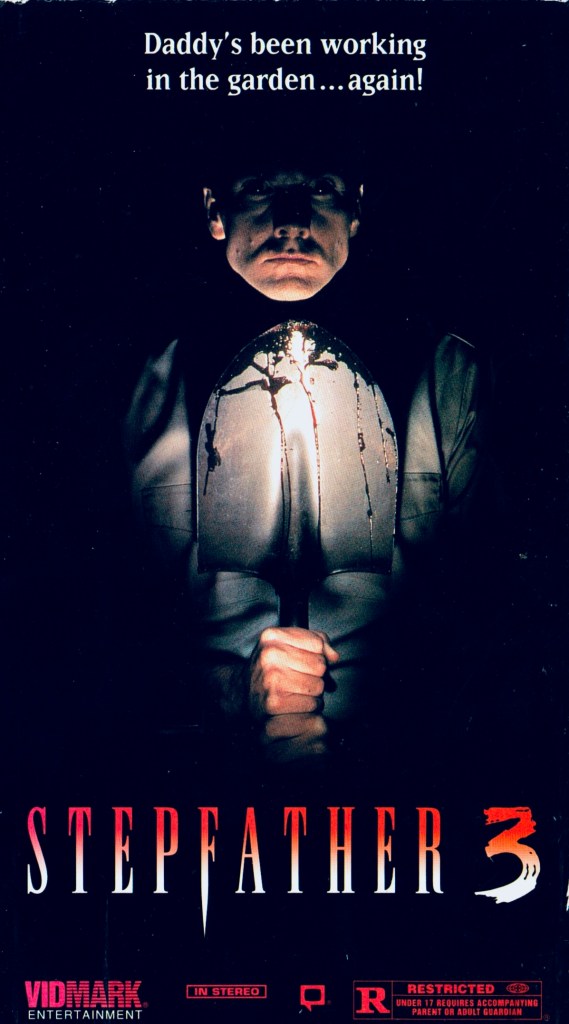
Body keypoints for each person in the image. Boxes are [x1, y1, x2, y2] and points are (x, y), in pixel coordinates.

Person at [124, 138, 489, 761]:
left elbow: (497, 613)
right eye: (259, 187)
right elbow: (94, 633)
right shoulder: (145, 387)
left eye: (320, 188)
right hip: (194, 768)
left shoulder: (448, 374)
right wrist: (233, 694)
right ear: (214, 210)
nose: (291, 221)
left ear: (356, 210)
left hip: (408, 765)